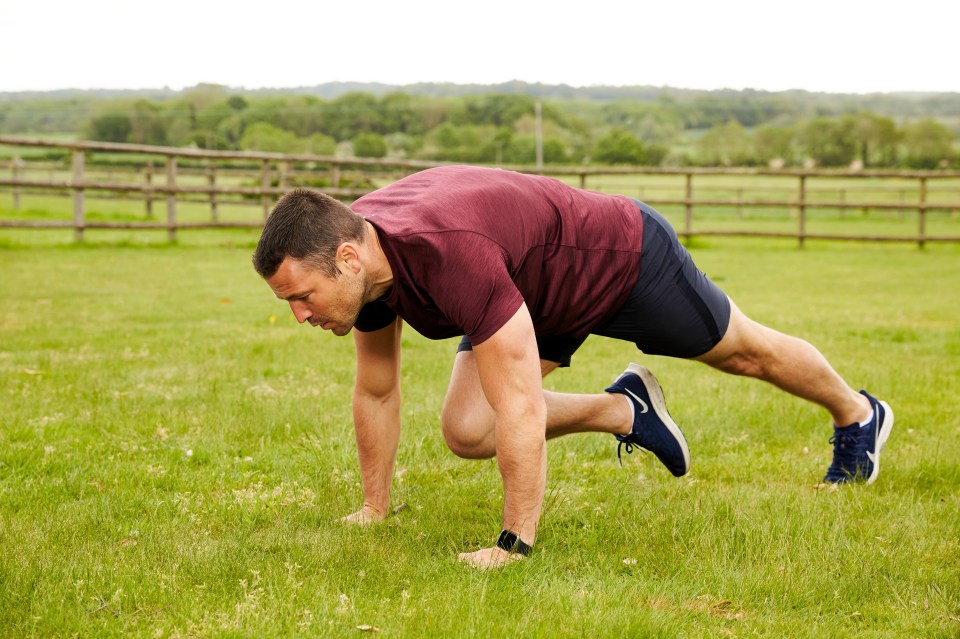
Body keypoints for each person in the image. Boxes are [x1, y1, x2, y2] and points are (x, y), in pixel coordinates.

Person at [252, 165, 893, 569]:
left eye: (301, 298)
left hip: (620, 261)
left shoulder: (449, 256)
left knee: (744, 350)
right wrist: (373, 508)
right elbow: (377, 389)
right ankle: (625, 409)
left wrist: (513, 545)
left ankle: (859, 413)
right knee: (467, 431)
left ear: (348, 257)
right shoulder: (363, 272)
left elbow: (523, 406)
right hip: (530, 290)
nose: (301, 316)